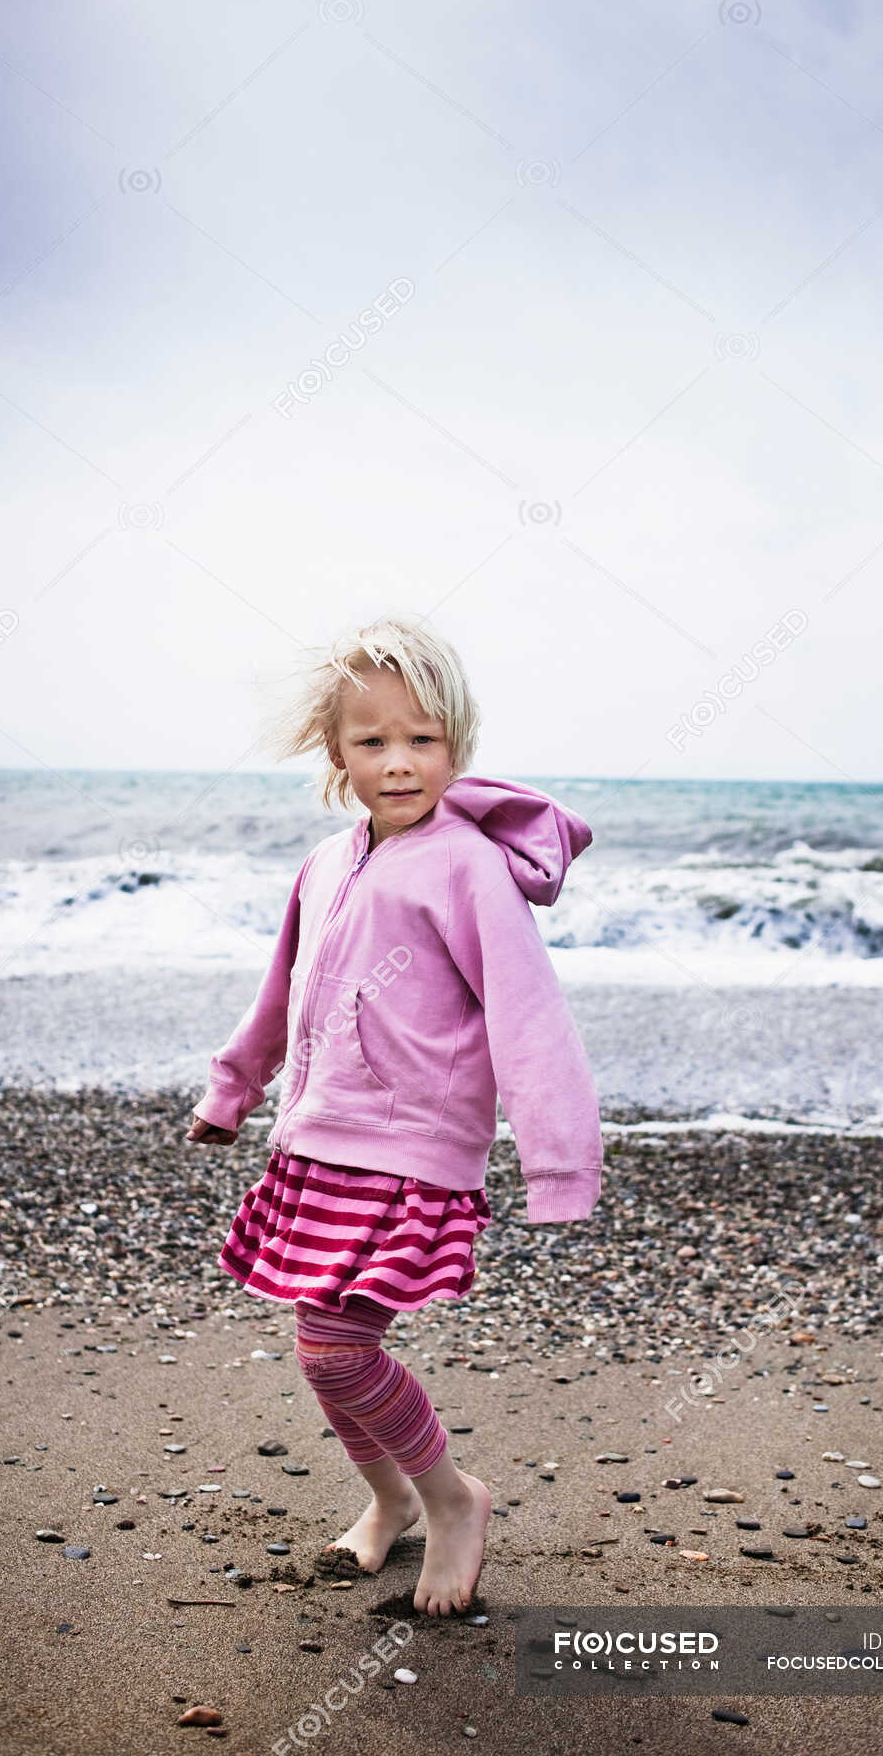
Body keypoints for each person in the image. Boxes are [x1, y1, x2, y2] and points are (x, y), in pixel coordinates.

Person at [186, 614, 603, 1616]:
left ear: (456, 742)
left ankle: (452, 1501)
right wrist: (234, 1088)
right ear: (337, 753)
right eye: (373, 742)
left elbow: (529, 1016)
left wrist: (558, 1164)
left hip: (410, 1153)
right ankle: (389, 1502)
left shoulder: (468, 867)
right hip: (316, 1141)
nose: (400, 762)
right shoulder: (327, 862)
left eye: (422, 739)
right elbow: (281, 988)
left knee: (339, 1347)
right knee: (318, 1348)